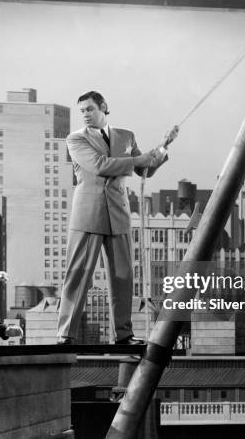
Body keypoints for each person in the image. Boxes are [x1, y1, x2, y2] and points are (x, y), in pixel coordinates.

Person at [56, 91, 178, 345]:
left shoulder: (126, 136)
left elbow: (145, 169)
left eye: (89, 109)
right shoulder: (76, 139)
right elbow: (101, 165)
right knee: (78, 275)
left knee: (123, 278)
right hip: (88, 214)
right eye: (82, 111)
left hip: (119, 214)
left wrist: (164, 146)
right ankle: (65, 334)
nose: (86, 115)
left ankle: (123, 335)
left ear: (103, 107)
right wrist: (139, 159)